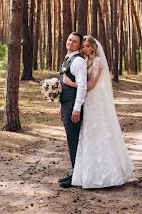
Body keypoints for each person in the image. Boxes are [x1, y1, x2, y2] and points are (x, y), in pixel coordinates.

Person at [61, 36, 134, 189]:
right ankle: (83, 173)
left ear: (93, 48)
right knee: (86, 138)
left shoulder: (97, 62)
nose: (84, 49)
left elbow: (91, 84)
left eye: (87, 46)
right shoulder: (85, 61)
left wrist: (69, 83)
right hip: (87, 102)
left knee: (99, 136)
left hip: (95, 102)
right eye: (84, 46)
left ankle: (107, 173)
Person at [58, 32, 88, 188]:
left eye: (75, 41)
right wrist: (60, 105)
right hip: (66, 104)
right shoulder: (68, 59)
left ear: (79, 45)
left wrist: (76, 109)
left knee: (75, 140)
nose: (70, 42)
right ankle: (75, 172)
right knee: (71, 140)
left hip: (73, 106)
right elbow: (64, 85)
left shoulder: (79, 62)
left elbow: (82, 86)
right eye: (69, 39)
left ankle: (77, 176)